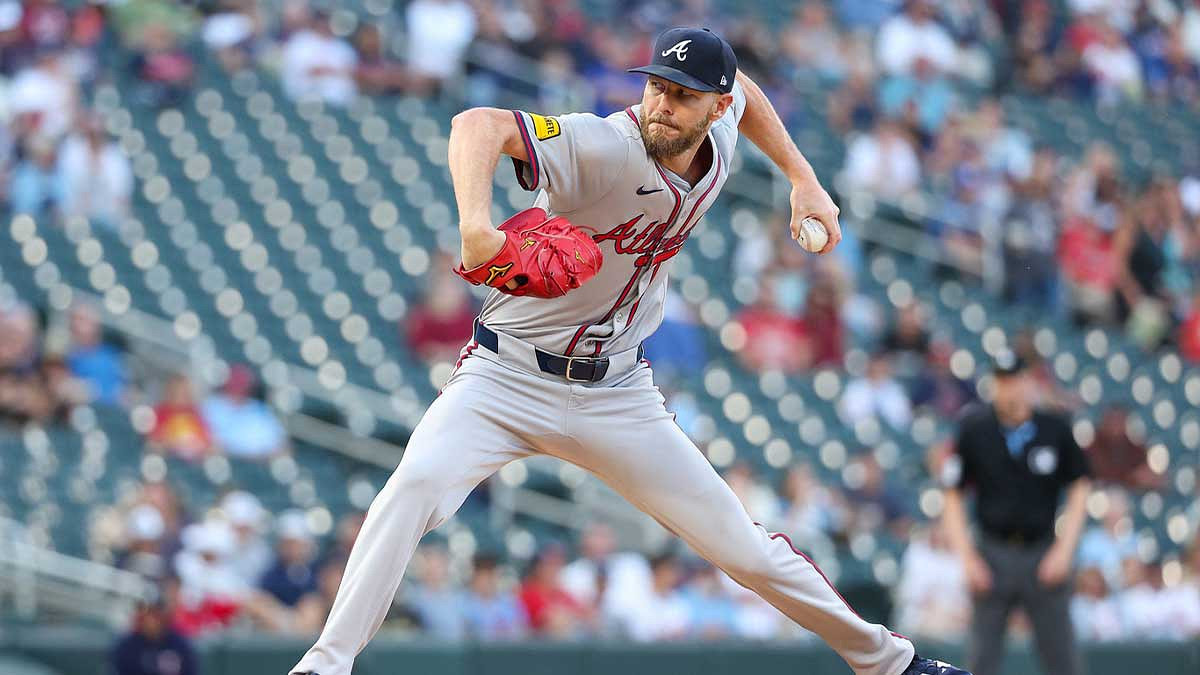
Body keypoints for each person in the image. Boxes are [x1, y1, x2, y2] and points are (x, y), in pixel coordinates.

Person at [290, 26, 966, 675]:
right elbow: (476, 124)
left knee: (746, 550)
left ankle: (891, 663)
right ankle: (324, 665)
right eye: (657, 87)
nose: (663, 105)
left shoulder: (720, 140)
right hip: (505, 376)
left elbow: (750, 93)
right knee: (410, 489)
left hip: (618, 395)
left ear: (714, 105)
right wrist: (476, 224)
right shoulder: (604, 144)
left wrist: (802, 176)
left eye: (683, 94)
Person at [941, 350, 1092, 675]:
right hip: (992, 552)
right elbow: (951, 495)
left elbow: (1080, 486)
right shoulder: (974, 429)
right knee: (982, 659)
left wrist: (1064, 551)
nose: (1008, 388)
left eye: (1014, 379)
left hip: (1042, 551)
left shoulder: (1055, 428)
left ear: (1028, 381)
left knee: (1062, 658)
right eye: (1001, 381)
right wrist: (968, 559)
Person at [110, 597, 198, 675]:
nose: (150, 620)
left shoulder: (180, 646)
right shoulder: (127, 647)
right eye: (146, 614)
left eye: (155, 614)